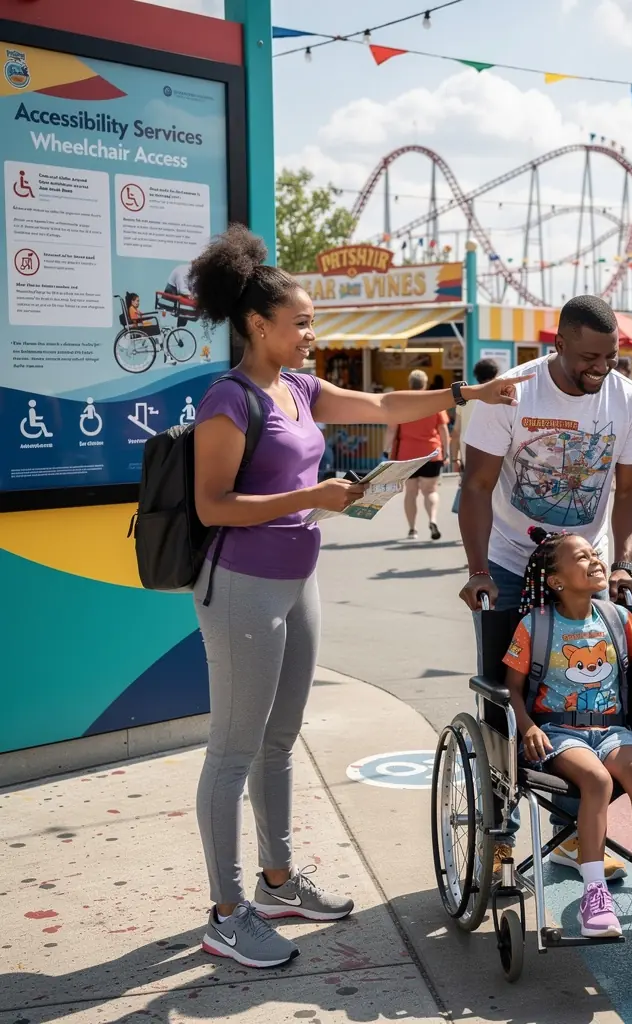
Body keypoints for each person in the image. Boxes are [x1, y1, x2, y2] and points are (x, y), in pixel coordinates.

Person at [188, 224, 527, 969]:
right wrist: (315, 494)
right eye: (301, 323)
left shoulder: (301, 388)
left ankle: (277, 882)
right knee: (235, 749)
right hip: (242, 586)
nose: (312, 335)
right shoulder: (227, 401)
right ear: (256, 325)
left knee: (280, 739)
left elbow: (379, 406)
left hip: (296, 578)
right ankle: (225, 911)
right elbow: (213, 506)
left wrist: (468, 391)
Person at [459, 293, 632, 881]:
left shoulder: (629, 400)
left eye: (611, 356)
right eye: (589, 356)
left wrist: (622, 562)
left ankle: (574, 832)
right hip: (514, 559)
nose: (602, 367)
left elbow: (631, 491)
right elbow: (476, 486)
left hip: (582, 561)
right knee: (507, 693)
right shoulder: (512, 393)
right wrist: (477, 570)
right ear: (558, 345)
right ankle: (500, 836)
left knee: (588, 687)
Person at [504, 528, 632, 937]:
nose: (595, 561)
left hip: (612, 729)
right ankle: (595, 893)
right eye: (582, 557)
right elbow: (513, 691)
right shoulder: (534, 625)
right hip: (557, 731)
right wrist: (528, 727)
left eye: (595, 554)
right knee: (596, 781)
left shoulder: (618, 618)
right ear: (556, 581)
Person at [384, 370, 449, 541]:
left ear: (409, 383)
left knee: (411, 492)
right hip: (432, 453)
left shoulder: (401, 402)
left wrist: (386, 449)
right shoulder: (435, 402)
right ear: (425, 384)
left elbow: (392, 429)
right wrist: (447, 451)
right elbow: (443, 429)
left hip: (407, 455)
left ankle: (412, 530)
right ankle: (433, 520)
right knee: (430, 490)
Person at [450, 358, 500, 514]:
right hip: (496, 456)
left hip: (469, 457)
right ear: (496, 374)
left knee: (473, 498)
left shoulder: (465, 397)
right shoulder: (502, 396)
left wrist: (455, 459)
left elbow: (456, 432)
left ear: (475, 375)